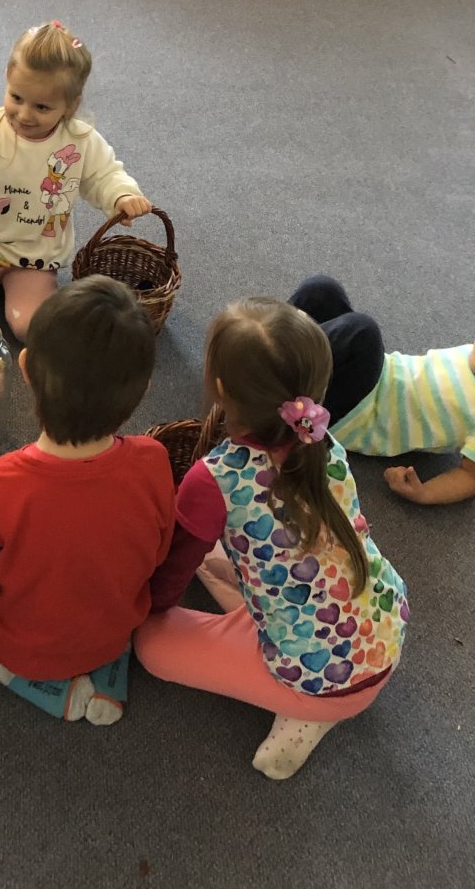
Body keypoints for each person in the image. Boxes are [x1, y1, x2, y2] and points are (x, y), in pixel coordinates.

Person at [137, 298, 409, 781]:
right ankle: (290, 663)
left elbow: (168, 583)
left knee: (151, 645)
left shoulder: (213, 479)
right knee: (229, 561)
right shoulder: (320, 442)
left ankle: (305, 717)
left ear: (222, 389)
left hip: (322, 680)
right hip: (386, 631)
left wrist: (131, 608)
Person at [0, 277, 175, 723]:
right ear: (144, 390)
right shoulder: (153, 459)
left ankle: (19, 676)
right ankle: (109, 668)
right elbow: (158, 553)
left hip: (22, 649)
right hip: (112, 633)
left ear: (25, 367)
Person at [0, 20, 151, 339]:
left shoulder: (81, 140)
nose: (25, 115)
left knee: (32, 328)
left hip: (36, 256)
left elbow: (105, 174)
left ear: (71, 105)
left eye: (42, 107)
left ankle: (21, 285)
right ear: (7, 79)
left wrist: (121, 196)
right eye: (16, 97)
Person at [289, 275, 475, 506]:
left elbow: (470, 476)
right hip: (375, 373)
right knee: (322, 291)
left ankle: (264, 374)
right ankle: (264, 339)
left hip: (360, 415)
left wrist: (424, 493)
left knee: (363, 333)